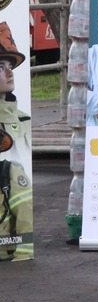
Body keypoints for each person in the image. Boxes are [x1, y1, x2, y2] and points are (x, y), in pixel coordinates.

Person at [0, 23, 32, 262]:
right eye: (1, 66)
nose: (10, 72)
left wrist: (23, 255)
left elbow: (23, 206)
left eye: (11, 66)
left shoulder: (24, 119)